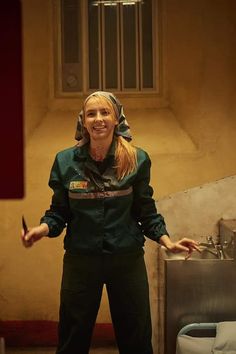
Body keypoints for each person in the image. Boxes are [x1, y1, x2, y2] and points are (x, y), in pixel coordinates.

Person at [21, 91, 200, 354]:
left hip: (125, 260)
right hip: (81, 261)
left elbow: (145, 211)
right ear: (83, 120)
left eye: (105, 112)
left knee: (136, 338)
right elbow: (59, 212)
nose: (98, 119)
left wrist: (167, 242)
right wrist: (42, 229)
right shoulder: (65, 161)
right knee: (72, 338)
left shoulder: (137, 159)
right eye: (91, 113)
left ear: (117, 119)